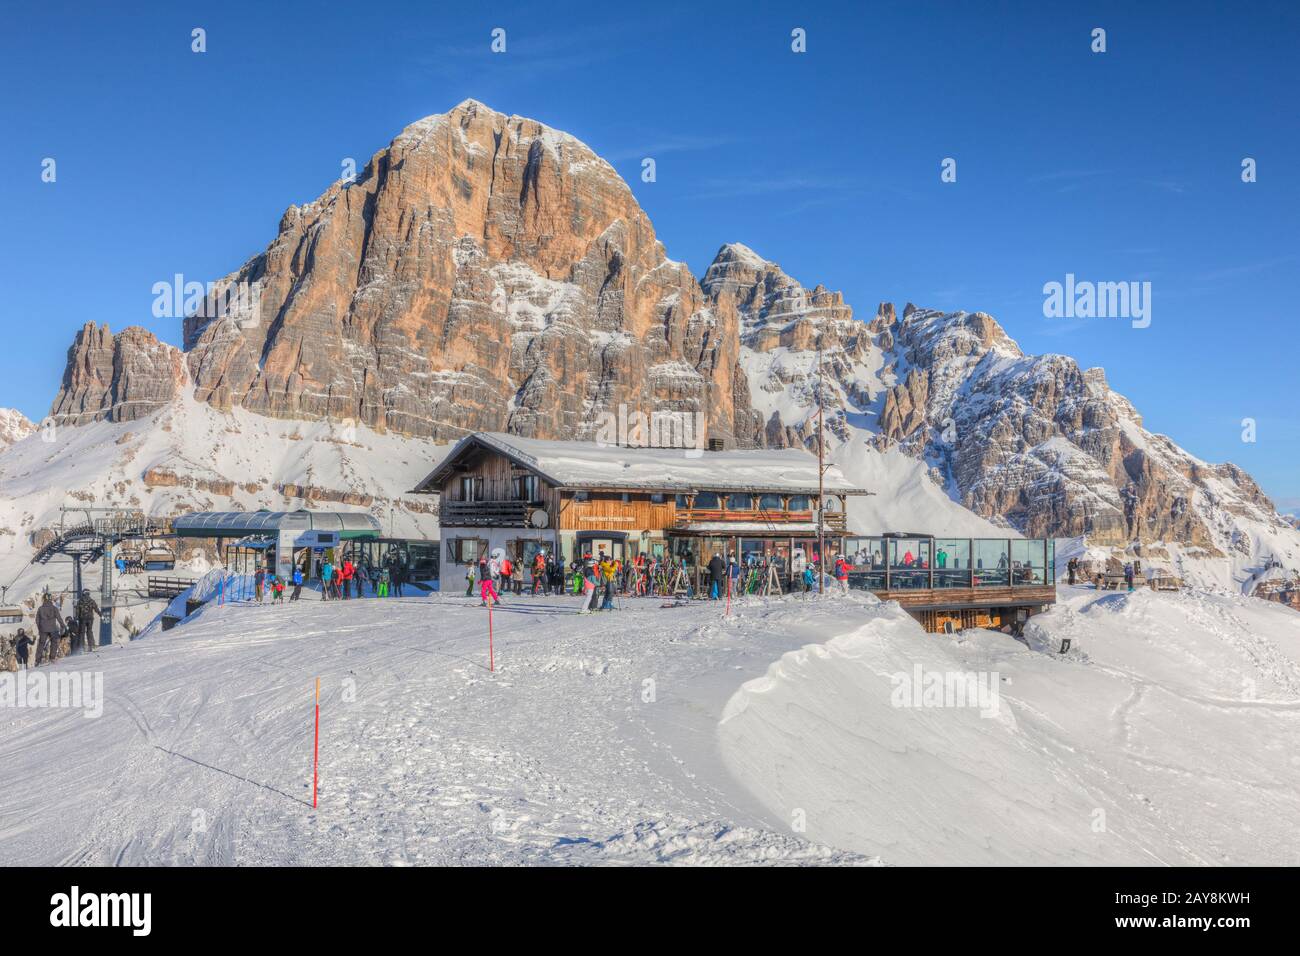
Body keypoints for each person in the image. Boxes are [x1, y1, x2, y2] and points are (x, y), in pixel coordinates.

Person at [35, 593, 64, 666]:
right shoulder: (54, 608)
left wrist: (40, 628)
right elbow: (59, 618)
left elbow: (37, 620)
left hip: (43, 629)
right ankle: (52, 658)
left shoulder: (40, 608)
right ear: (51, 599)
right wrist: (63, 626)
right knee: (54, 642)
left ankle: (37, 661)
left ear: (44, 599)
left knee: (41, 644)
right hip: (53, 628)